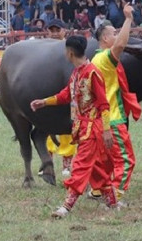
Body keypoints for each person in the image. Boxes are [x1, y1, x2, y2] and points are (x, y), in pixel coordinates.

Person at [31, 36, 120, 218]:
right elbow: (66, 95)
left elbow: (103, 104)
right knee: (96, 168)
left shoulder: (92, 73)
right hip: (83, 127)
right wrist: (45, 102)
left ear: (70, 52)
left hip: (92, 129)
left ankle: (66, 206)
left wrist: (106, 130)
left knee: (79, 166)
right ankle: (113, 203)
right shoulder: (77, 72)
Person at [89, 5, 142, 202]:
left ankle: (98, 191)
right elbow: (119, 46)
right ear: (104, 39)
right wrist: (128, 19)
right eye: (113, 33)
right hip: (112, 119)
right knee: (126, 160)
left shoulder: (95, 58)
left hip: (101, 120)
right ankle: (115, 195)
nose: (117, 35)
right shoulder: (104, 58)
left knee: (106, 160)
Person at [45, 19, 77, 177]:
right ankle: (47, 162)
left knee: (68, 128)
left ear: (64, 31)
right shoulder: (43, 49)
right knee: (47, 126)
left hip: (68, 94)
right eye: (52, 30)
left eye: (58, 30)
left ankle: (67, 163)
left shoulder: (70, 49)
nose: (55, 33)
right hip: (49, 93)